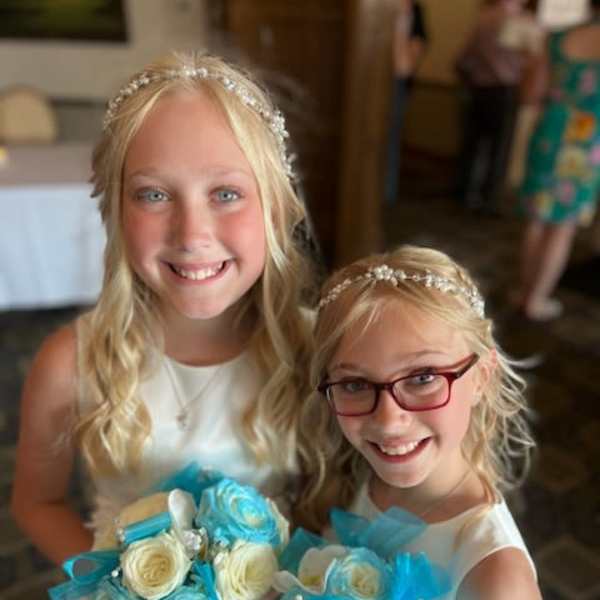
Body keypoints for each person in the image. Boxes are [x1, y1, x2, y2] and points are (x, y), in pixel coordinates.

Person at [10, 51, 318, 565]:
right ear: (115, 211)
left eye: (226, 193)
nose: (192, 235)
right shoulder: (69, 362)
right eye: (153, 195)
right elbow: (37, 503)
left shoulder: (316, 350)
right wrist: (111, 583)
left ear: (276, 207)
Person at [296, 245, 541, 599]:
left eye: (423, 378)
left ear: (481, 377)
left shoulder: (497, 579)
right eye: (355, 384)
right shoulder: (363, 476)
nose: (388, 421)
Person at [516, 1, 600, 321]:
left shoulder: (557, 38)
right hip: (588, 139)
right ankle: (537, 299)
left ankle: (524, 291)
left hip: (551, 130)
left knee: (536, 219)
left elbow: (531, 94)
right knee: (562, 226)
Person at [455, 0, 542, 214]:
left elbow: (464, 57)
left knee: (472, 143)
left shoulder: (484, 17)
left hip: (479, 88)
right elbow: (533, 61)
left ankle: (464, 193)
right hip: (506, 90)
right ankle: (490, 199)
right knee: (499, 148)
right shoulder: (524, 22)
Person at [385, 0, 428, 205]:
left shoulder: (414, 13)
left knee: (390, 141)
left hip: (396, 86)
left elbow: (403, 67)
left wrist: (402, 20)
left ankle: (387, 192)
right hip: (375, 84)